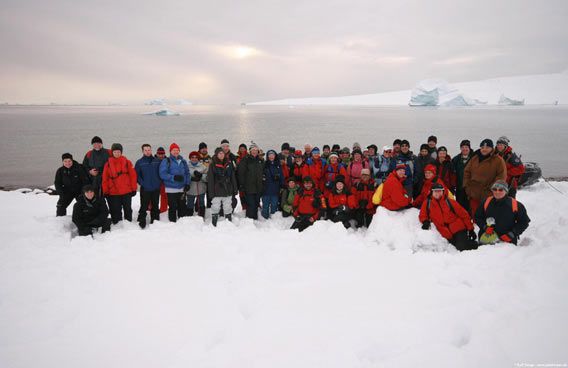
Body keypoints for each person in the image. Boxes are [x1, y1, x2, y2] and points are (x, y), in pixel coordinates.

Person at [419, 183, 477, 251]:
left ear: (443, 192)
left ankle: (476, 245)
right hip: (445, 232)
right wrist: (425, 221)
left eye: (439, 191)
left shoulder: (449, 202)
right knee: (454, 247)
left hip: (458, 228)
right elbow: (422, 215)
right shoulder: (427, 203)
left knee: (461, 247)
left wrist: (470, 229)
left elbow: (464, 214)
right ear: (432, 192)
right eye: (435, 191)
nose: (437, 193)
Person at [475, 180, 530, 245]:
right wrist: (485, 227)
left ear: (506, 191)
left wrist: (512, 234)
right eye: (495, 189)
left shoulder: (515, 204)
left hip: (506, 240)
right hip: (487, 238)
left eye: (501, 190)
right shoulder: (486, 202)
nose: (497, 192)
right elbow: (477, 217)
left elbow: (524, 222)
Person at [463, 139, 507, 216]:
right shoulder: (475, 158)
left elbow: (501, 176)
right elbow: (467, 172)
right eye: (482, 147)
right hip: (474, 194)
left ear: (492, 148)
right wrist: (467, 186)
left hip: (489, 194)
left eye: (487, 147)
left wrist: (493, 189)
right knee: (475, 216)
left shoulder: (498, 160)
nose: (484, 149)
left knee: (489, 217)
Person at [101, 143, 137, 224]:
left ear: (121, 152)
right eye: (115, 152)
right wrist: (105, 191)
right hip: (113, 192)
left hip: (126, 191)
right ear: (112, 153)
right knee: (116, 210)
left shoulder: (127, 162)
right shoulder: (108, 164)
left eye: (118, 152)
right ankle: (117, 225)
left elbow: (133, 176)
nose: (117, 153)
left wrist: (134, 189)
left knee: (127, 209)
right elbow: (105, 179)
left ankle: (129, 224)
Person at [159, 143, 190, 222]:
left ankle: (182, 222)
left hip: (181, 189)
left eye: (177, 150)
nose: (175, 152)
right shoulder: (166, 161)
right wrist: (173, 177)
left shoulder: (183, 161)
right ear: (170, 151)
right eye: (174, 150)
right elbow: (162, 174)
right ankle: (172, 224)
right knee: (173, 207)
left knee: (182, 206)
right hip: (171, 189)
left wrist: (187, 183)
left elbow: (187, 173)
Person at [208, 147, 238, 226]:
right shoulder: (212, 164)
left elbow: (232, 177)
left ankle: (228, 219)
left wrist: (235, 188)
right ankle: (214, 220)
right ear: (216, 154)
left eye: (222, 153)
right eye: (219, 153)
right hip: (217, 189)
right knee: (215, 205)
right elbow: (210, 179)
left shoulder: (229, 163)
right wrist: (211, 192)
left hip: (227, 188)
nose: (221, 155)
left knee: (228, 205)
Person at [134, 144, 162, 228]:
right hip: (145, 188)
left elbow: (161, 172)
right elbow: (137, 176)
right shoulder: (139, 162)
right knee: (144, 205)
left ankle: (155, 220)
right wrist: (143, 183)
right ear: (142, 151)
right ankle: (142, 220)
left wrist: (158, 182)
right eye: (145, 150)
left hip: (156, 188)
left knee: (155, 204)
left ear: (151, 150)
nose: (147, 151)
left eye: (149, 150)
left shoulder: (157, 161)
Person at [238, 143, 264, 219]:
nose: (254, 151)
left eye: (256, 150)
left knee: (256, 204)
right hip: (249, 187)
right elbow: (241, 173)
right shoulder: (245, 160)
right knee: (251, 204)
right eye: (253, 150)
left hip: (258, 187)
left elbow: (263, 173)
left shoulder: (260, 161)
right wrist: (242, 185)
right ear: (250, 151)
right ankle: (249, 220)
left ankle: (255, 219)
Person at [451, 140, 474, 212]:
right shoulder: (456, 159)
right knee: (460, 206)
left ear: (469, 148)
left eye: (466, 147)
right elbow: (452, 173)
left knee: (470, 206)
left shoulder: (474, 158)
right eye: (463, 147)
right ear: (460, 148)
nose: (464, 149)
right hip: (459, 187)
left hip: (471, 187)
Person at [261, 149, 284, 219]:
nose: (271, 156)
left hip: (275, 189)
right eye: (269, 155)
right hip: (266, 190)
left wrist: (282, 186)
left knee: (274, 205)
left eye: (272, 155)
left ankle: (273, 219)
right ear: (267, 156)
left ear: (275, 156)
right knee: (265, 205)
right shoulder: (264, 165)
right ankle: (264, 219)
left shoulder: (278, 165)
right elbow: (260, 175)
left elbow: (281, 177)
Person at [187, 151, 208, 217]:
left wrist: (201, 176)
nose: (194, 158)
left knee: (201, 203)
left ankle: (201, 217)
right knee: (190, 204)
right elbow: (184, 176)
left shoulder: (203, 166)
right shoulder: (186, 167)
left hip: (200, 189)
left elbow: (207, 177)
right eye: (192, 157)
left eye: (196, 157)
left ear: (198, 158)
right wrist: (191, 178)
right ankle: (189, 217)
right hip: (190, 189)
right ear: (190, 158)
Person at [155, 147, 169, 214]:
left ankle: (163, 211)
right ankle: (150, 210)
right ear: (156, 154)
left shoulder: (167, 161)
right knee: (153, 197)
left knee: (164, 197)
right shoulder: (153, 161)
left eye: (162, 154)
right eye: (159, 154)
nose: (161, 155)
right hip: (155, 182)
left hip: (164, 182)